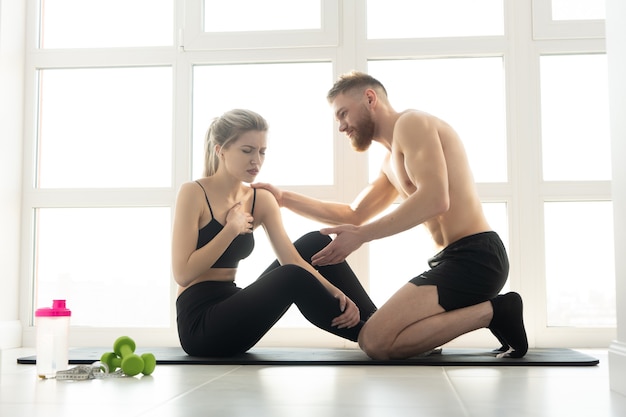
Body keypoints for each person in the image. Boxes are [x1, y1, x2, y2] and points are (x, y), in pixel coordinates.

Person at [253, 71, 528, 360]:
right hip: (452, 260)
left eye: (343, 114)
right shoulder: (389, 162)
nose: (341, 127)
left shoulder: (412, 123)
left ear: (370, 98)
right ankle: (484, 316)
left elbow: (436, 199)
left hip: (476, 258)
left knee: (374, 341)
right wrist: (283, 199)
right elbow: (354, 214)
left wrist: (361, 236)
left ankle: (496, 312)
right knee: (378, 338)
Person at [171, 108, 377, 357]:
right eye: (247, 151)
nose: (256, 160)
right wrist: (231, 229)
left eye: (262, 152)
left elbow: (291, 258)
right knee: (292, 276)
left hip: (233, 306)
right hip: (201, 324)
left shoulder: (260, 199)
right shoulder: (194, 193)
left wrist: (336, 291)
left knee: (315, 242)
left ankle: (381, 325)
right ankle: (374, 338)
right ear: (220, 149)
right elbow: (183, 274)